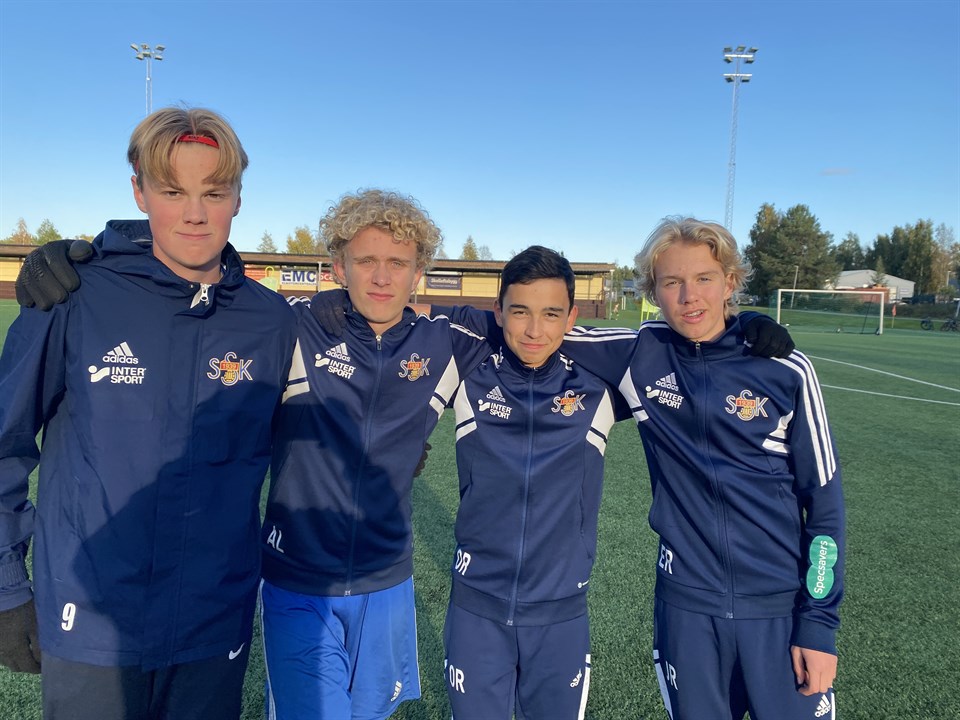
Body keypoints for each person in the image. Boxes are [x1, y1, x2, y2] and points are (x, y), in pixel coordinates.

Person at [0, 107, 298, 720]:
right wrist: (5, 587)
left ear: (238, 199)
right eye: (172, 191)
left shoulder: (271, 320)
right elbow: (6, 444)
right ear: (139, 193)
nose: (195, 213)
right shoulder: (71, 296)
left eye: (214, 192)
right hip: (92, 618)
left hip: (214, 622)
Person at [560, 217, 845, 720]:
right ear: (653, 292)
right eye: (672, 282)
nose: (689, 296)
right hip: (687, 610)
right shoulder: (640, 355)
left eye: (705, 279)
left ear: (730, 282)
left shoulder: (785, 369)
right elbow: (533, 326)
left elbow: (824, 508)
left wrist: (818, 623)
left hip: (777, 609)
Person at [258, 189, 498, 720]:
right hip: (298, 576)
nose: (382, 278)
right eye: (366, 261)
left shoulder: (447, 342)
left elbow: (532, 323)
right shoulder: (295, 326)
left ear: (418, 274)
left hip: (387, 578)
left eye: (398, 263)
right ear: (339, 266)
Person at [432, 246, 627, 719]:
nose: (535, 330)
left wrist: (742, 325)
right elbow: (401, 318)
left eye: (551, 314)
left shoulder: (599, 386)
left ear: (572, 318)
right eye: (520, 311)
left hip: (560, 612)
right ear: (498, 312)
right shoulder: (471, 372)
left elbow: (679, 346)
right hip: (476, 607)